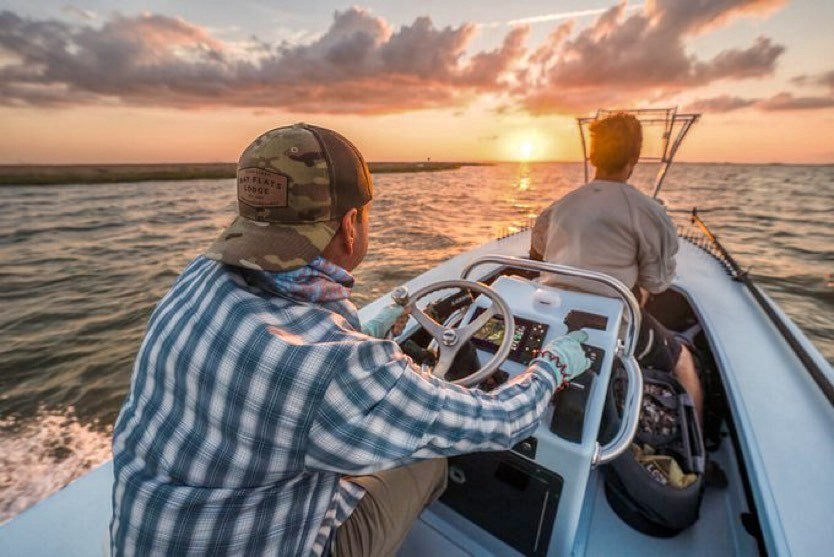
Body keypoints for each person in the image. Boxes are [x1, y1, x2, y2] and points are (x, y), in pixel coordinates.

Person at [110, 123, 592, 556]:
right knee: (431, 460)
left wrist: (363, 333)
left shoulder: (200, 274)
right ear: (349, 225)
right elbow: (502, 422)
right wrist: (553, 365)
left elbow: (291, 357)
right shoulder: (335, 373)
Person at [530, 112, 703, 422]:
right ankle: (698, 453)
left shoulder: (562, 205)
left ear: (593, 155)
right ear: (634, 157)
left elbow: (539, 250)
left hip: (551, 316)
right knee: (683, 359)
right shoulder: (647, 211)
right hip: (609, 329)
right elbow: (658, 282)